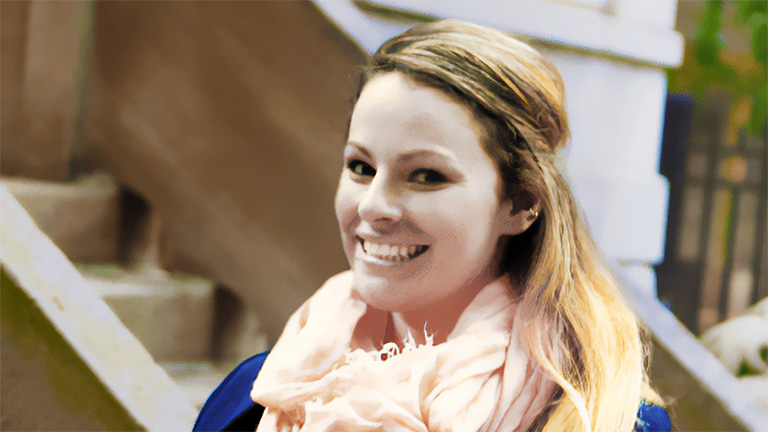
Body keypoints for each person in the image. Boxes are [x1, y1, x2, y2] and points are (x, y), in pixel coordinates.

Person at [194, 19, 671, 432]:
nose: (374, 206)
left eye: (426, 176)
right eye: (361, 167)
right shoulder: (258, 394)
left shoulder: (608, 419)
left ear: (520, 203)